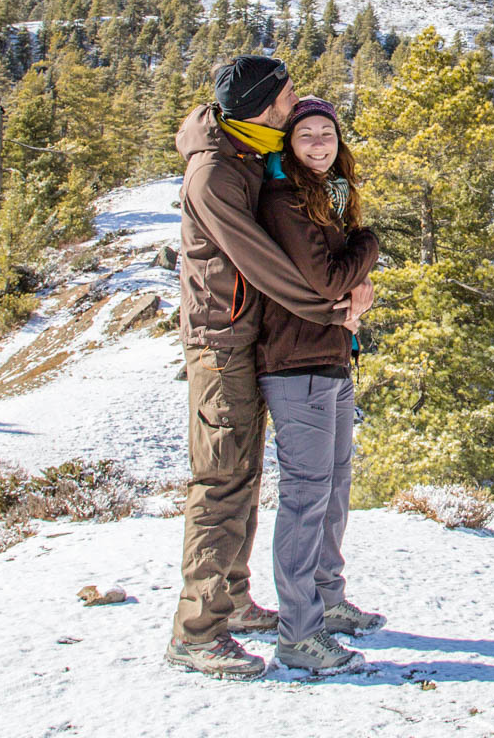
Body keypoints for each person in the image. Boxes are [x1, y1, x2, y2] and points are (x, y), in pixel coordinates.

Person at [166, 56, 361, 680]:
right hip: (220, 343)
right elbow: (264, 263)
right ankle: (197, 632)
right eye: (286, 96)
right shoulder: (216, 174)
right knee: (221, 481)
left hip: (247, 338)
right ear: (261, 106)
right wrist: (330, 308)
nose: (296, 101)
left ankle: (235, 599)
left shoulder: (249, 153)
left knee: (244, 477)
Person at [253, 96, 386, 675]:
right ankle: (298, 633)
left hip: (330, 354)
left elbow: (340, 283)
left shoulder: (327, 199)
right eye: (304, 133)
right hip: (295, 360)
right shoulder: (285, 200)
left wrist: (353, 293)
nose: (317, 143)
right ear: (288, 142)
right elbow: (326, 277)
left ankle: (328, 602)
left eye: (326, 133)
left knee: (334, 488)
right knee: (306, 498)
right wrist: (369, 247)